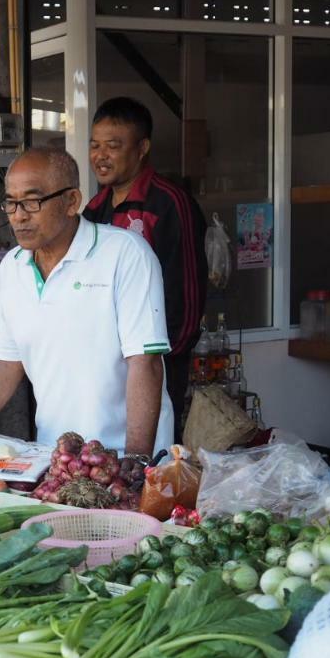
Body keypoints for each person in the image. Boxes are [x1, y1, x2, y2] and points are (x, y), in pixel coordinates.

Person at [0, 147, 173, 458]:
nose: (19, 215)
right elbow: (6, 363)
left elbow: (145, 361)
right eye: (10, 203)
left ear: (71, 202)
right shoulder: (13, 267)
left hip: (123, 454)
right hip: (56, 456)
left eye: (32, 201)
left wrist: (136, 460)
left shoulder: (124, 254)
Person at [83, 96, 208, 438]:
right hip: (108, 362)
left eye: (113, 145)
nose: (100, 155)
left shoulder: (169, 203)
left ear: (142, 148)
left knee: (156, 444)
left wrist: (169, 359)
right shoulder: (94, 210)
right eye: (95, 145)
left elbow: (189, 289)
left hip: (158, 358)